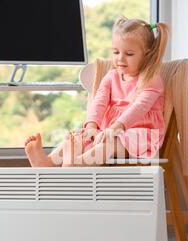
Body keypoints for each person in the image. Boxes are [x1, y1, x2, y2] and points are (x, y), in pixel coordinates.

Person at [24, 17, 169, 167]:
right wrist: (92, 126)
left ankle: (78, 164)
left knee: (110, 143)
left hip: (140, 135)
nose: (120, 58)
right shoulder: (112, 76)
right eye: (116, 52)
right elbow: (99, 101)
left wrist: (116, 127)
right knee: (80, 137)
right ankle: (48, 162)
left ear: (147, 54)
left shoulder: (151, 79)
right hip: (110, 131)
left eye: (129, 54)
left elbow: (139, 108)